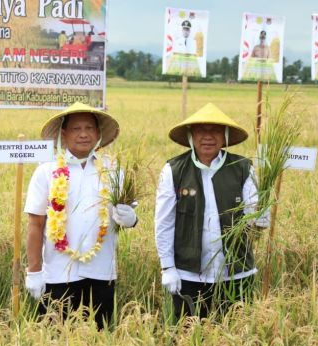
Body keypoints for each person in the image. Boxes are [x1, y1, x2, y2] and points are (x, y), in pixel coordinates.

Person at [24, 102, 138, 330]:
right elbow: (35, 224)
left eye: (89, 128)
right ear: (64, 134)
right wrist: (34, 271)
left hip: (102, 271)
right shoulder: (46, 170)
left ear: (98, 133)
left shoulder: (113, 170)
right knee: (55, 338)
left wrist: (131, 219)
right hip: (57, 274)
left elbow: (129, 214)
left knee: (100, 335)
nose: (84, 134)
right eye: (76, 129)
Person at [154, 103, 270, 319]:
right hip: (189, 274)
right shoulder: (174, 170)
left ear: (225, 136)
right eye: (201, 130)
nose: (208, 137)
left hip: (236, 273)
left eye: (215, 130)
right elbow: (164, 223)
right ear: (190, 135)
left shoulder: (243, 168)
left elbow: (253, 215)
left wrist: (260, 218)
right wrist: (167, 267)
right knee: (188, 335)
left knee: (237, 332)